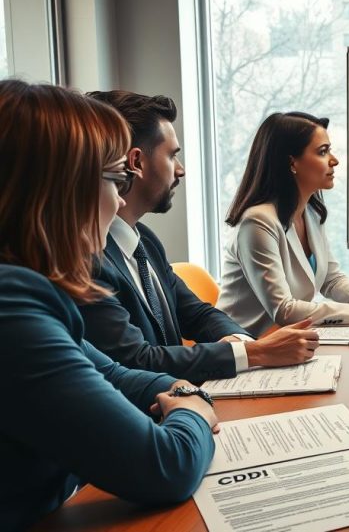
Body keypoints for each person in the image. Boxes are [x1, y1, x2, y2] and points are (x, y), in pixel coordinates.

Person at [0, 79, 217, 529]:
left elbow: (115, 374)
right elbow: (167, 466)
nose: (120, 199)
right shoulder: (11, 309)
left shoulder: (30, 293)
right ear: (63, 189)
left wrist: (182, 391)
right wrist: (192, 411)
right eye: (116, 180)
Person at [79, 91, 319, 383]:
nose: (181, 169)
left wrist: (241, 342)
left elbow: (197, 314)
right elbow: (137, 359)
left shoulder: (145, 241)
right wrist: (254, 353)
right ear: (136, 162)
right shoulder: (88, 262)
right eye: (172, 155)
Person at [218, 111, 349, 335]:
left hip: (285, 338)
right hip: (247, 343)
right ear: (292, 162)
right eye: (322, 152)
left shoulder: (310, 213)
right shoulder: (257, 223)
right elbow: (284, 310)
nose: (334, 160)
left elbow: (330, 279)